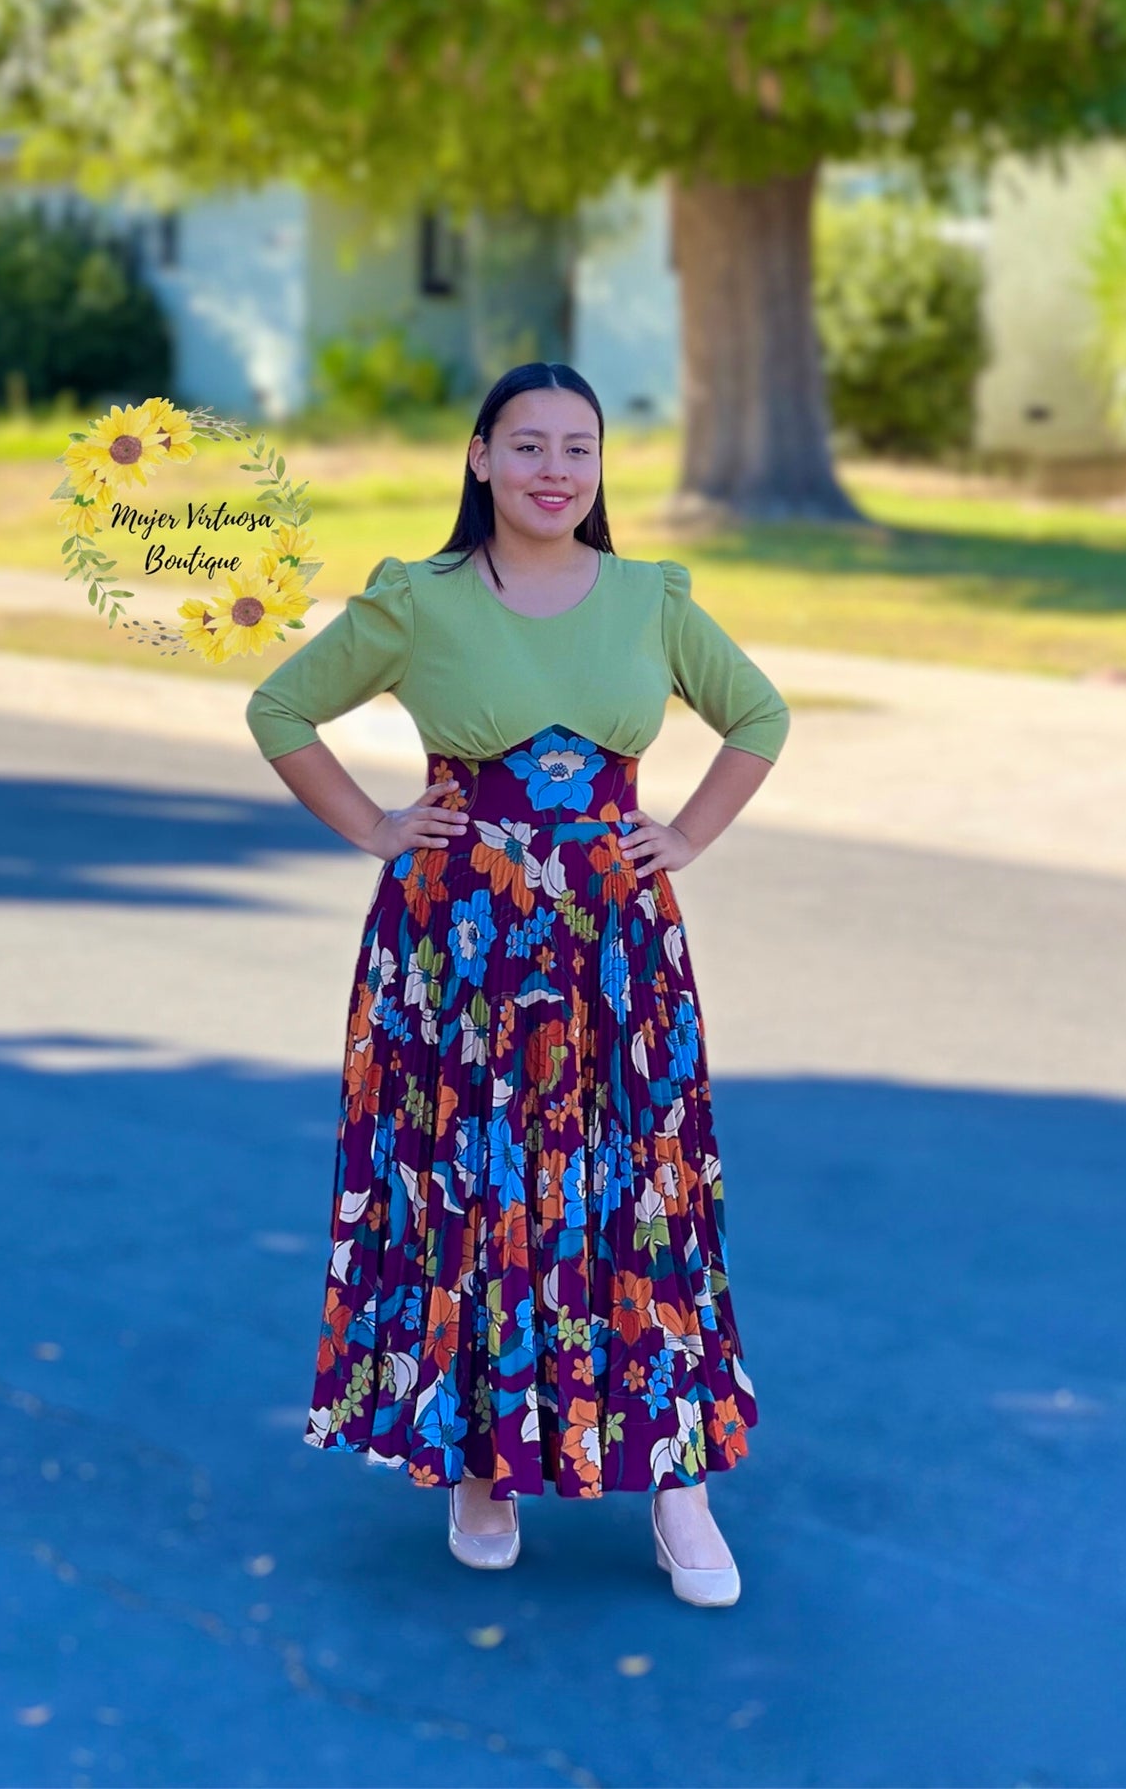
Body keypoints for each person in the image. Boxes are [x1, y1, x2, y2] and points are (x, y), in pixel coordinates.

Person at [245, 362, 790, 1607]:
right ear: (479, 457)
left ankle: (678, 1484)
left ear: (602, 468)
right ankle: (479, 1461)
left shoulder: (649, 598)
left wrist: (687, 839)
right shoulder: (418, 599)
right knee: (478, 1189)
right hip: (456, 948)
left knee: (637, 1188)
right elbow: (281, 707)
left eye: (579, 449)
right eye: (529, 445)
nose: (556, 469)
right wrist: (376, 828)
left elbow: (755, 717)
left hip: (614, 947)